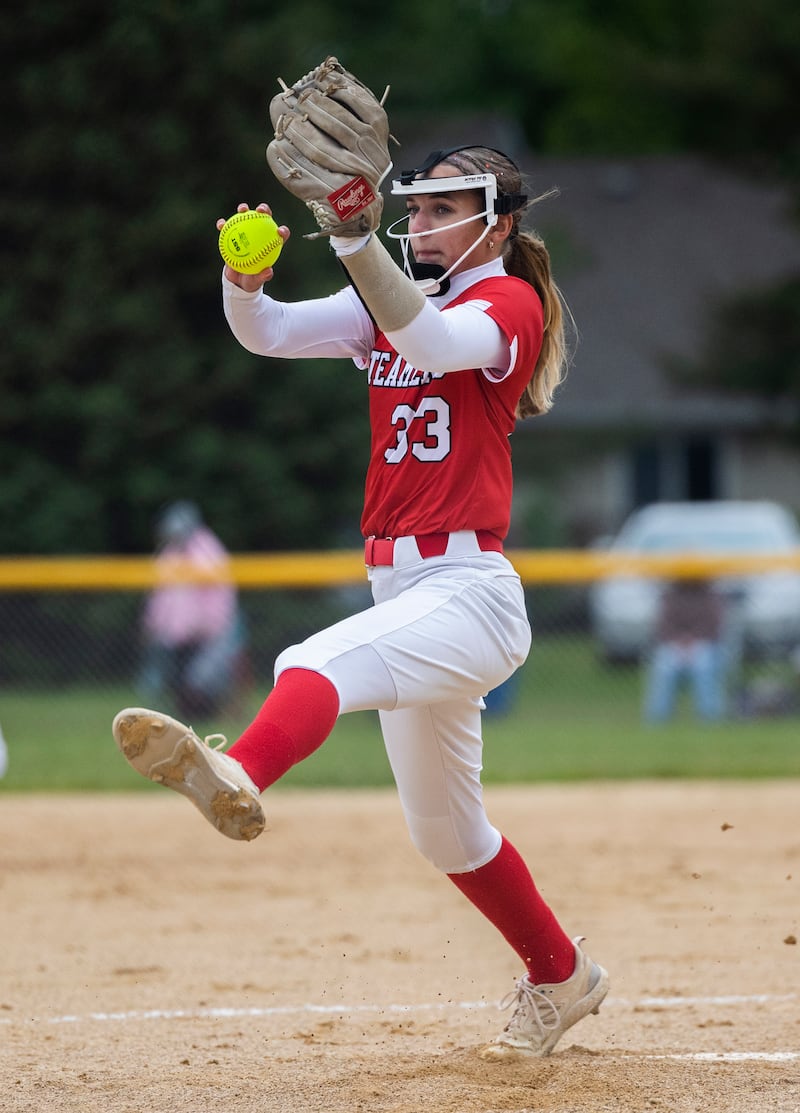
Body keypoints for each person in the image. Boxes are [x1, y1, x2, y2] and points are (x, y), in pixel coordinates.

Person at [114, 141, 608, 1059]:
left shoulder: (506, 303)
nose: (416, 224)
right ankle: (561, 976)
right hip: (405, 586)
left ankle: (240, 772)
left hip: (468, 589)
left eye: (437, 211)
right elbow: (264, 332)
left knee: (308, 661)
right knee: (450, 837)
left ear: (496, 223)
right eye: (410, 211)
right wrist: (243, 278)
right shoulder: (384, 303)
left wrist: (352, 239)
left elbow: (431, 338)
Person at [137, 501, 246, 721]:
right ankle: (176, 718)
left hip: (212, 631)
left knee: (202, 678)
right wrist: (153, 624)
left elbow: (218, 597)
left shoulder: (207, 548)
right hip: (178, 635)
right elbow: (161, 597)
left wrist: (204, 626)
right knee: (166, 678)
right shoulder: (170, 553)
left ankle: (213, 715)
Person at [643, 578, 727, 723]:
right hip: (674, 644)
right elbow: (663, 626)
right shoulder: (670, 596)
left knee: (703, 664)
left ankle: (709, 717)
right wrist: (679, 640)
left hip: (703, 643)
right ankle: (657, 718)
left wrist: (693, 638)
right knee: (665, 665)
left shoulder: (710, 596)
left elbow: (715, 626)